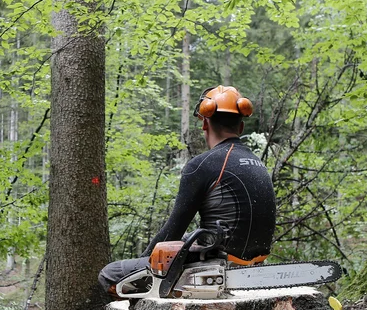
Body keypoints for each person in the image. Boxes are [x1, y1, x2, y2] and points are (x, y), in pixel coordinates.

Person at [98, 85, 277, 297]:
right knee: (185, 240)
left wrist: (145, 262)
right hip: (251, 263)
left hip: (218, 262)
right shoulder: (257, 163)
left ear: (204, 123)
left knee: (109, 275)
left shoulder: (202, 165)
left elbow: (173, 229)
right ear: (241, 127)